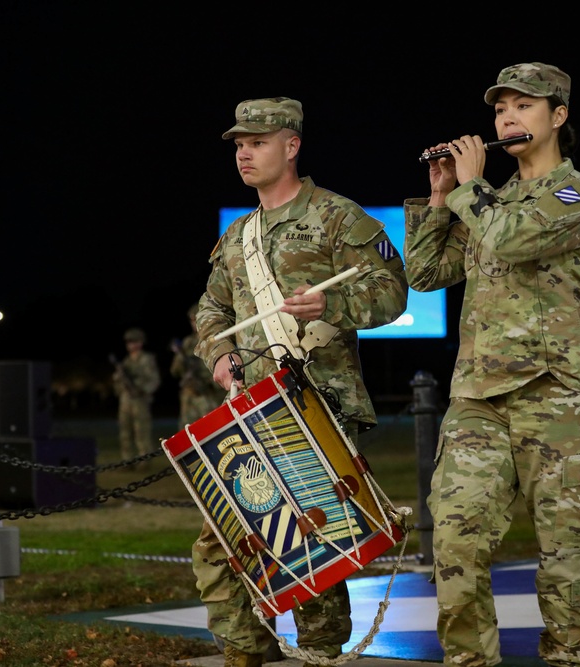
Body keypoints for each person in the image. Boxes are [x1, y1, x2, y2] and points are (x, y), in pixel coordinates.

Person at [404, 62, 580, 667]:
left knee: (565, 558)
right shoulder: (484, 203)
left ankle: (572, 660)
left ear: (559, 116)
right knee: (454, 539)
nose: (508, 118)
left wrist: (471, 188)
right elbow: (425, 274)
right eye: (501, 109)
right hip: (480, 399)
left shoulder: (579, 195)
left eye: (525, 106)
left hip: (563, 400)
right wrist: (443, 195)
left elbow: (514, 240)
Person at [192, 96, 409, 667]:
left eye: (257, 143)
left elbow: (392, 292)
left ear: (291, 146)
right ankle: (246, 652)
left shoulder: (339, 216)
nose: (244, 154)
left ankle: (320, 654)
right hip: (252, 409)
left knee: (316, 544)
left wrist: (329, 303)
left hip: (319, 405)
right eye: (239, 145)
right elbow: (210, 311)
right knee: (221, 543)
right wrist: (220, 354)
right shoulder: (237, 237)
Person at [170, 303, 225, 430]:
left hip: (209, 394)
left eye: (197, 319)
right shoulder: (188, 343)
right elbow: (175, 371)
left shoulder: (215, 339)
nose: (194, 324)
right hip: (189, 395)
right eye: (192, 320)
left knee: (212, 430)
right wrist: (180, 357)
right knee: (186, 433)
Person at [112, 327, 161, 465]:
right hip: (126, 400)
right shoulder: (126, 362)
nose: (130, 345)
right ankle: (127, 460)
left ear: (141, 342)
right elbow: (118, 382)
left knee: (141, 432)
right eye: (128, 342)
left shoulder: (147, 359)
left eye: (134, 341)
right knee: (125, 432)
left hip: (140, 399)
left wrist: (143, 390)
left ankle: (143, 460)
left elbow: (154, 380)